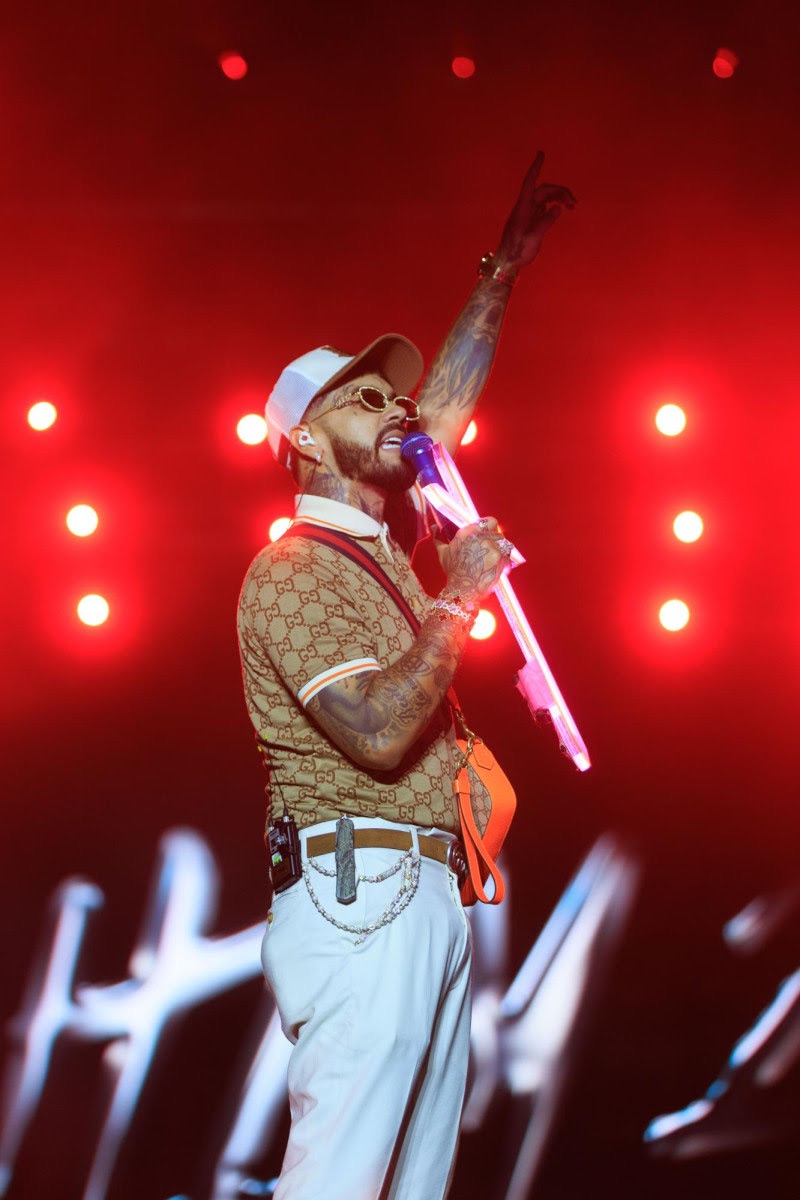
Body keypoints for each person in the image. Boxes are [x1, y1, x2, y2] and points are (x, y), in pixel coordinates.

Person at [237, 152, 576, 1200]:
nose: (397, 408)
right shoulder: (292, 572)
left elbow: (443, 414)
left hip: (423, 888)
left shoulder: (384, 552)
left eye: (396, 395)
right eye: (364, 398)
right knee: (340, 1182)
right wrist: (459, 598)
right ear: (304, 438)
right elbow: (380, 731)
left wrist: (500, 272)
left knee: (412, 1187)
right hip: (360, 890)